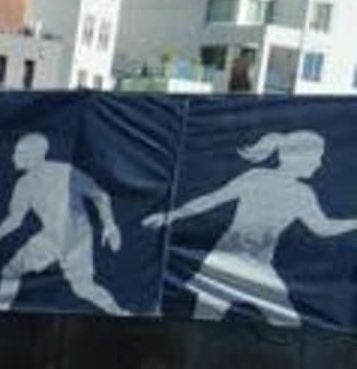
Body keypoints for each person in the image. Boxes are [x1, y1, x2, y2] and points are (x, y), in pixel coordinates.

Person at [141, 130, 349, 326]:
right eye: (317, 157)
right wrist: (171, 216)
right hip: (225, 263)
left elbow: (323, 228)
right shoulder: (260, 179)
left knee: (286, 323)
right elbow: (212, 199)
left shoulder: (299, 192)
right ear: (300, 158)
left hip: (255, 267)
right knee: (206, 322)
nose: (320, 163)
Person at [0, 130, 123, 314]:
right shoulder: (24, 184)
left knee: (82, 288)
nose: (14, 156)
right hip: (51, 238)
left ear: (35, 156)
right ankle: (0, 311)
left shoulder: (66, 172)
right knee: (12, 272)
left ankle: (119, 313)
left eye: (19, 153)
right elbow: (15, 219)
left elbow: (100, 195)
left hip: (77, 238)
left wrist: (110, 225)